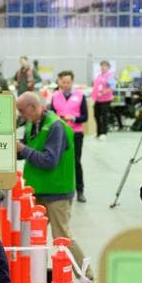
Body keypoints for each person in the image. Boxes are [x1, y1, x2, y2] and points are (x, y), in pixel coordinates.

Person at [15, 91, 88, 272]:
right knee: (31, 237)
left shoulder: (56, 127)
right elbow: (27, 150)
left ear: (33, 107)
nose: (21, 116)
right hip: (38, 191)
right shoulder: (33, 124)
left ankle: (87, 277)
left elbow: (49, 161)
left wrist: (22, 148)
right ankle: (34, 277)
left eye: (22, 111)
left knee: (61, 237)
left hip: (57, 193)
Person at [50, 70, 89, 202]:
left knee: (76, 162)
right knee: (59, 161)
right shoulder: (55, 96)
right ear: (60, 82)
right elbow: (51, 115)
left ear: (72, 82)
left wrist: (72, 118)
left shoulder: (80, 96)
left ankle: (80, 191)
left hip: (76, 133)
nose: (66, 84)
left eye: (68, 82)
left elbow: (85, 117)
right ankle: (62, 190)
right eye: (63, 82)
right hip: (59, 134)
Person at [92, 60, 116, 139]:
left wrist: (104, 91)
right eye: (102, 65)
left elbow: (112, 88)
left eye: (105, 66)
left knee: (104, 116)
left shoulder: (110, 76)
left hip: (106, 99)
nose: (103, 67)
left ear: (108, 67)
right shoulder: (99, 75)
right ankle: (98, 133)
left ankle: (104, 133)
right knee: (96, 115)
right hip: (97, 99)